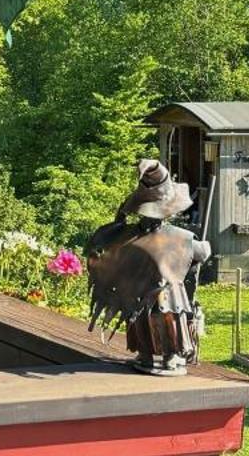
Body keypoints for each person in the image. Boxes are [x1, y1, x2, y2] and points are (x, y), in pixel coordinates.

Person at [84, 159, 212, 376]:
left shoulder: (127, 236)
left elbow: (99, 247)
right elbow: (203, 252)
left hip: (151, 296)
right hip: (154, 297)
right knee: (159, 320)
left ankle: (162, 355)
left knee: (163, 320)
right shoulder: (178, 238)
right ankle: (160, 355)